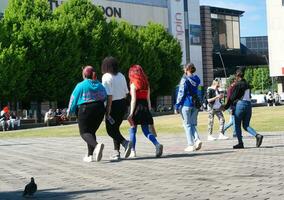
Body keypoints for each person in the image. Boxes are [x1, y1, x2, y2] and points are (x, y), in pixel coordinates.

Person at [67, 66, 107, 162]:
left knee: (84, 132)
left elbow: (73, 99)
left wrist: (69, 112)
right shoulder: (100, 85)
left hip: (86, 109)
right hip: (100, 109)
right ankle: (89, 156)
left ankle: (97, 146)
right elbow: (105, 96)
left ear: (84, 75)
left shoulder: (81, 85)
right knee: (91, 132)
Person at [127, 64, 163, 158]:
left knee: (132, 130)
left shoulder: (133, 84)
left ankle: (133, 151)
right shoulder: (146, 84)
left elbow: (133, 100)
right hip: (145, 108)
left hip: (136, 108)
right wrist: (149, 109)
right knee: (146, 131)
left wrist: (131, 113)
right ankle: (157, 144)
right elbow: (148, 99)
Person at [101, 56, 132, 161]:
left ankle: (125, 143)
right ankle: (116, 152)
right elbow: (126, 92)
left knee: (110, 130)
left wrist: (108, 110)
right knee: (115, 128)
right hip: (122, 104)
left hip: (113, 105)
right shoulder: (121, 75)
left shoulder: (106, 76)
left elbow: (109, 95)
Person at [224, 68, 264, 149]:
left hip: (240, 105)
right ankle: (257, 135)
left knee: (237, 125)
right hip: (248, 105)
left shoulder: (238, 85)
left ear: (237, 75)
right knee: (246, 125)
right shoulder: (247, 84)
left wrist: (226, 107)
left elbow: (232, 97)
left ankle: (240, 143)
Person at [175, 63, 202, 152]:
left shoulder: (184, 79)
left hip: (186, 104)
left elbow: (181, 93)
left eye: (184, 68)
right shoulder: (197, 79)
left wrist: (177, 105)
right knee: (192, 124)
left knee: (187, 125)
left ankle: (190, 144)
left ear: (186, 69)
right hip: (195, 104)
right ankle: (197, 139)